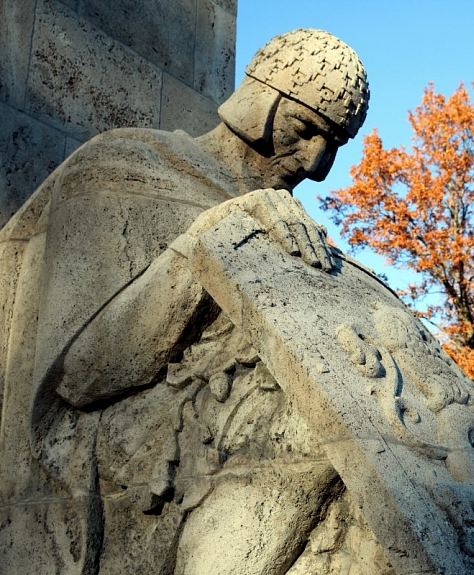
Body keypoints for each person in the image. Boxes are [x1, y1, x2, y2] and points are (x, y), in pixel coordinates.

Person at [0, 29, 393, 574]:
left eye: (336, 145)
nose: (317, 165)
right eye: (305, 130)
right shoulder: (127, 163)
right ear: (262, 104)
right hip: (140, 449)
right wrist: (215, 238)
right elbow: (82, 376)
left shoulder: (290, 226)